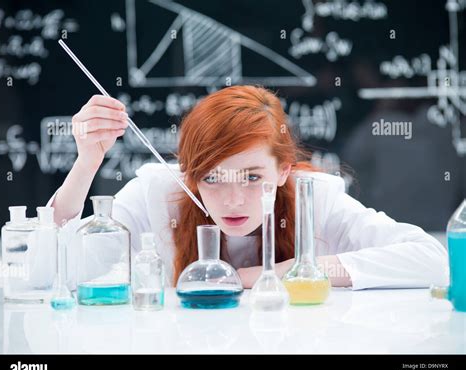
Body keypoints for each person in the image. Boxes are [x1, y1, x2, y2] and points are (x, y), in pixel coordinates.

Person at [48, 85, 448, 290]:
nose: (234, 199)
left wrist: (268, 274)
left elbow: (431, 260)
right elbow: (51, 271)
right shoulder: (158, 196)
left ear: (283, 170)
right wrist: (87, 162)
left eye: (253, 177)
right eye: (212, 177)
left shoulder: (314, 198)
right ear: (190, 174)